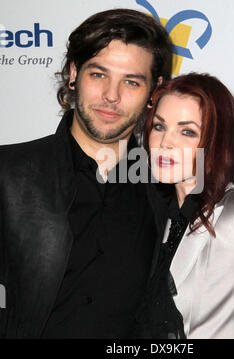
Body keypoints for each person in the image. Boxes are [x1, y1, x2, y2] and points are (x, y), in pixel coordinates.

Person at [0, 9, 172, 338]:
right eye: (98, 74)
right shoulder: (8, 175)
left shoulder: (167, 188)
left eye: (131, 81)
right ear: (74, 73)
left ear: (154, 92)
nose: (112, 95)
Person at [135, 73, 234, 339]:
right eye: (159, 126)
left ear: (216, 142)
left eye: (187, 131)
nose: (166, 142)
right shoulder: (162, 220)